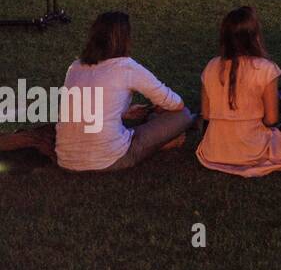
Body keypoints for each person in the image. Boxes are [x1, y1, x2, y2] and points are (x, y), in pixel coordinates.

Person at [55, 11, 194, 172]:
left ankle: (158, 134)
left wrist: (123, 113)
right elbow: (176, 103)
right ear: (124, 39)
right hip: (108, 158)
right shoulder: (125, 67)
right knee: (183, 115)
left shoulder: (74, 67)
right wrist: (161, 108)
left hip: (65, 158)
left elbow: (87, 107)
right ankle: (163, 142)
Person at [196, 6, 281, 177]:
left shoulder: (211, 66)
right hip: (252, 151)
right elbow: (271, 119)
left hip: (215, 151)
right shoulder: (266, 69)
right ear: (255, 37)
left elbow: (206, 114)